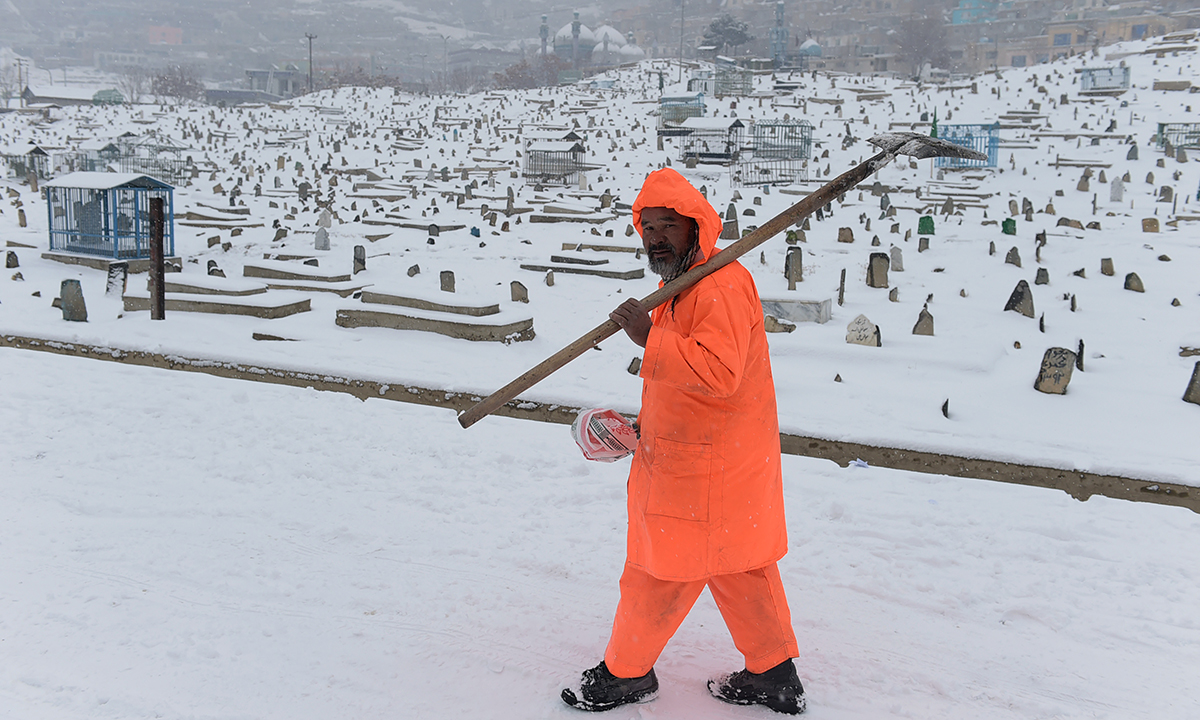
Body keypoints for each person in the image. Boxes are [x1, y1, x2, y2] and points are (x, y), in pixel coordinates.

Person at [561, 169, 805, 714]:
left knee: (658, 570)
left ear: (695, 227)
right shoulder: (686, 283)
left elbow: (717, 373)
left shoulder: (717, 283)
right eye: (647, 227)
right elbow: (692, 378)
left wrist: (647, 337)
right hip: (722, 460)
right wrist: (643, 425)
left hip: (702, 472)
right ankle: (773, 674)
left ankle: (626, 675)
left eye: (667, 225)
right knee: (740, 565)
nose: (655, 238)